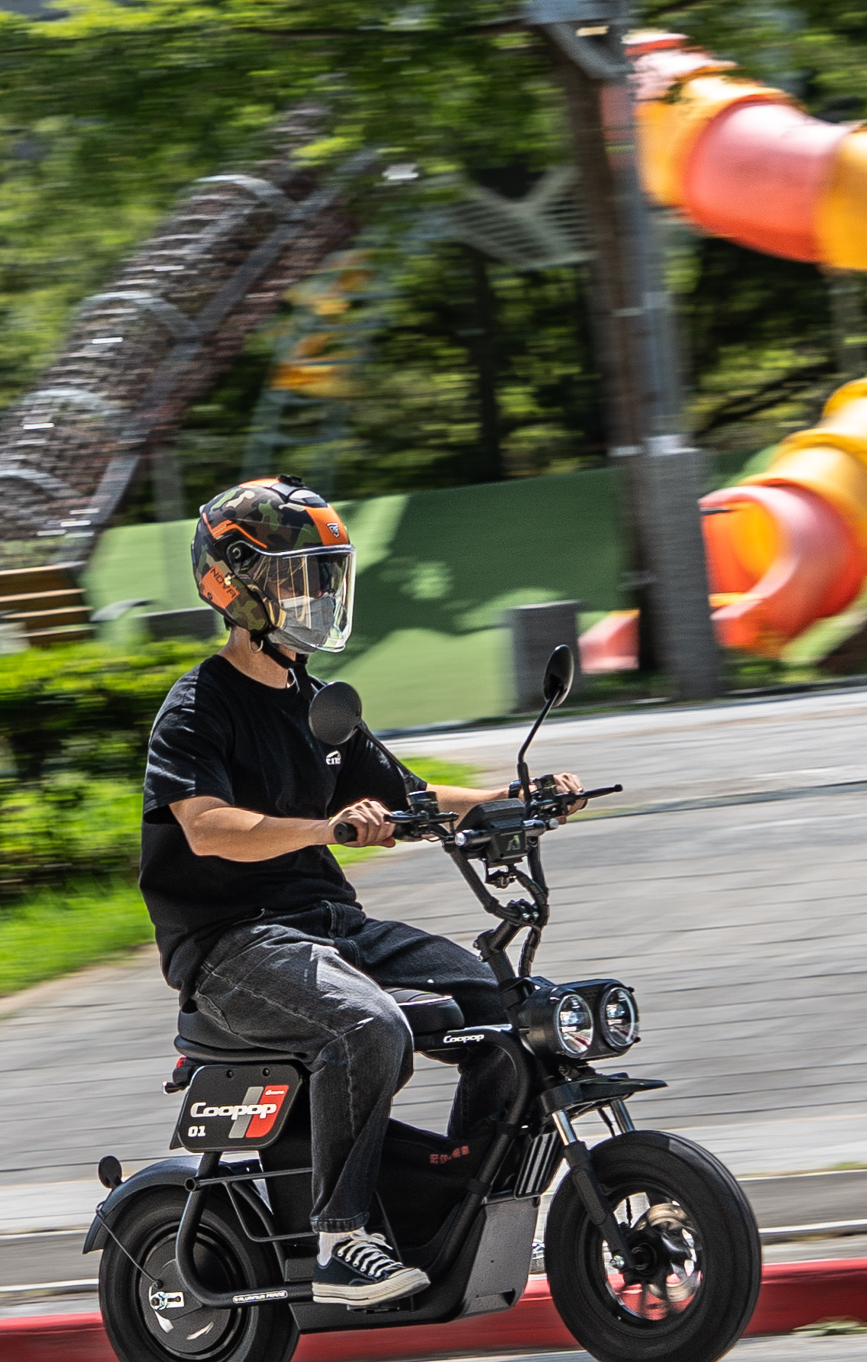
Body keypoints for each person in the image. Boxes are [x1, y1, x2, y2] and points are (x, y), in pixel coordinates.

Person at [139, 476, 582, 1308]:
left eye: (325, 576)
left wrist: (517, 802)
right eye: (298, 577)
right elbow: (204, 827)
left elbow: (416, 801)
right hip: (234, 944)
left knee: (507, 1004)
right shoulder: (196, 707)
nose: (318, 595)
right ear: (235, 586)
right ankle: (344, 1237)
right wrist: (324, 828)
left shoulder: (319, 706)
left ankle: (453, 1198)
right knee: (366, 1023)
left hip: (328, 925)